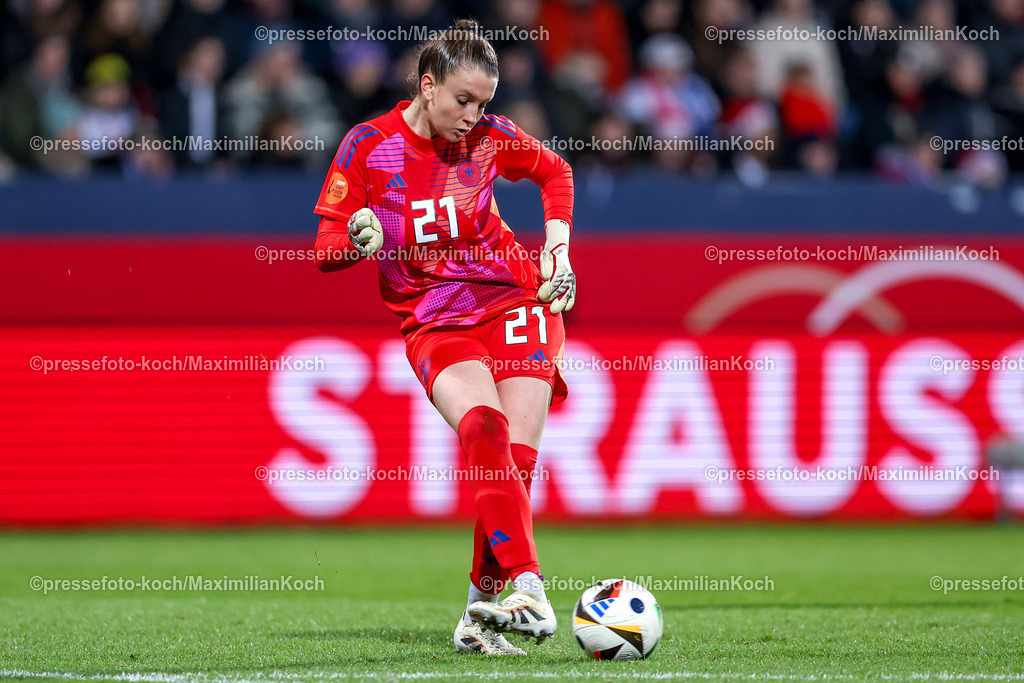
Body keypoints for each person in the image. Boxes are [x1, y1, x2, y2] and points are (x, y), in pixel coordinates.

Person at [311, 20, 576, 656]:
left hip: (516, 297)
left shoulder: (491, 139)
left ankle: (491, 608)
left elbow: (556, 173)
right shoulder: (368, 147)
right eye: (463, 99)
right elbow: (323, 250)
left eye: (484, 102)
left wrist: (559, 254)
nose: (474, 115)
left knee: (515, 459)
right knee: (482, 428)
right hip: (434, 317)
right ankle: (522, 587)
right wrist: (357, 242)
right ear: (427, 87)